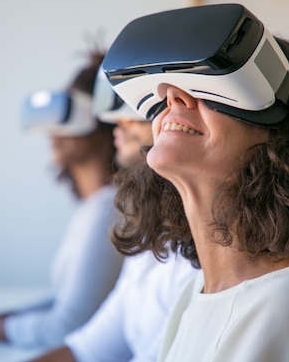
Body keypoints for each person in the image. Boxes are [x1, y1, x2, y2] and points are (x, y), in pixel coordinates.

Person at [103, 4, 289, 362]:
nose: (171, 96)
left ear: (287, 140)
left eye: (209, 87)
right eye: (170, 90)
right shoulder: (195, 294)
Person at [0, 52, 124, 351]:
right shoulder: (94, 208)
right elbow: (66, 303)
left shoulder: (109, 208)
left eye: (70, 114)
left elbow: (67, 326)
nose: (54, 128)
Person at [26, 73, 199, 362]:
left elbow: (67, 325)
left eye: (134, 106)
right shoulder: (148, 237)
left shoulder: (201, 256)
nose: (116, 121)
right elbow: (87, 349)